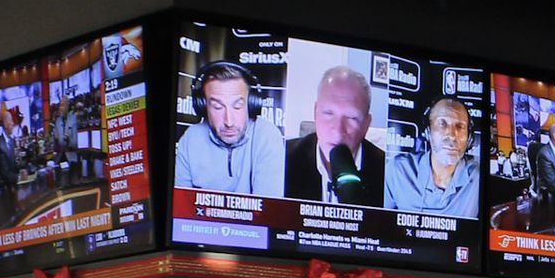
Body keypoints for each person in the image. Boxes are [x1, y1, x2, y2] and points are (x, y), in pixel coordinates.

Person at [174, 62, 285, 196]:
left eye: (237, 106)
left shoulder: (267, 136)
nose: (229, 122)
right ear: (203, 106)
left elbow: (268, 211)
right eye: (217, 107)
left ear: (251, 104)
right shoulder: (190, 139)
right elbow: (180, 207)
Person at [284, 66, 385, 205]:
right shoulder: (281, 159)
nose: (338, 131)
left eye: (351, 118)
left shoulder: (388, 175)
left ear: (366, 124)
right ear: (315, 112)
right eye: (328, 113)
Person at [386, 97, 480, 218]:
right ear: (427, 132)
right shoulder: (397, 171)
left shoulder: (478, 178)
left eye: (460, 126)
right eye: (442, 124)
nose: (451, 135)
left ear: (469, 138)